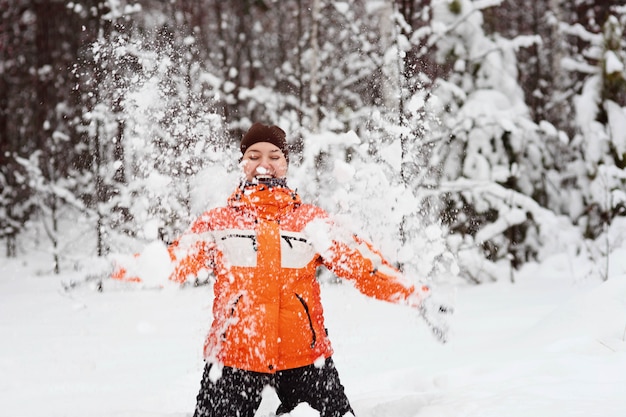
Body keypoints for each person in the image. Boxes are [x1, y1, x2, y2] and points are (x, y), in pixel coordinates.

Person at [112, 122, 451, 417]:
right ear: (242, 164)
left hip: (306, 362)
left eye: (274, 156)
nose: (265, 163)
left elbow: (367, 268)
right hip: (232, 364)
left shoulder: (312, 222)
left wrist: (417, 296)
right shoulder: (218, 222)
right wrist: (123, 269)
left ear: (286, 164)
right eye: (254, 155)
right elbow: (172, 263)